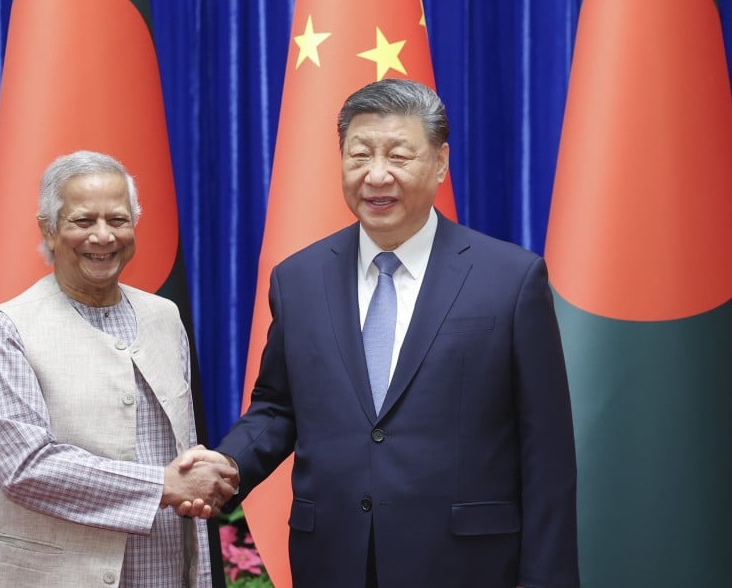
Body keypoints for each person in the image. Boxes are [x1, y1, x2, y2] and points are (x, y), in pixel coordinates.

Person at [187, 79, 579, 587]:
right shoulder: (299, 279)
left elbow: (546, 453)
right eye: (359, 155)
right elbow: (277, 407)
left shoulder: (509, 279)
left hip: (468, 566)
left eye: (398, 155)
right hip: (333, 561)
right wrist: (227, 464)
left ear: (440, 163)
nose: (376, 175)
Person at [0, 150, 237, 588]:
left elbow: (180, 446)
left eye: (119, 220)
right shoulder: (6, 329)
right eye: (83, 221)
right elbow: (26, 467)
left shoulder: (164, 316)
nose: (104, 236)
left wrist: (210, 473)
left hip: (163, 572)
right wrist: (164, 485)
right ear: (48, 230)